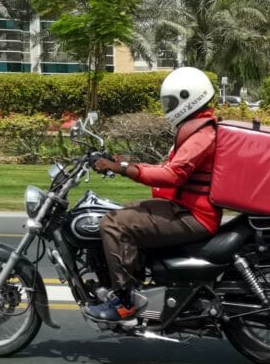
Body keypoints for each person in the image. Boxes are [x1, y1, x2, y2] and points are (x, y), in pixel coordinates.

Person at [83, 67, 223, 322]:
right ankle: (137, 281)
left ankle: (125, 302)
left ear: (187, 97)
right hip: (182, 206)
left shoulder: (203, 134)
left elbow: (172, 175)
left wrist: (122, 168)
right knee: (120, 212)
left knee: (113, 224)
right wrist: (122, 163)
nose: (167, 107)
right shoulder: (197, 128)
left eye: (170, 102)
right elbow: (167, 169)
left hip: (194, 215)